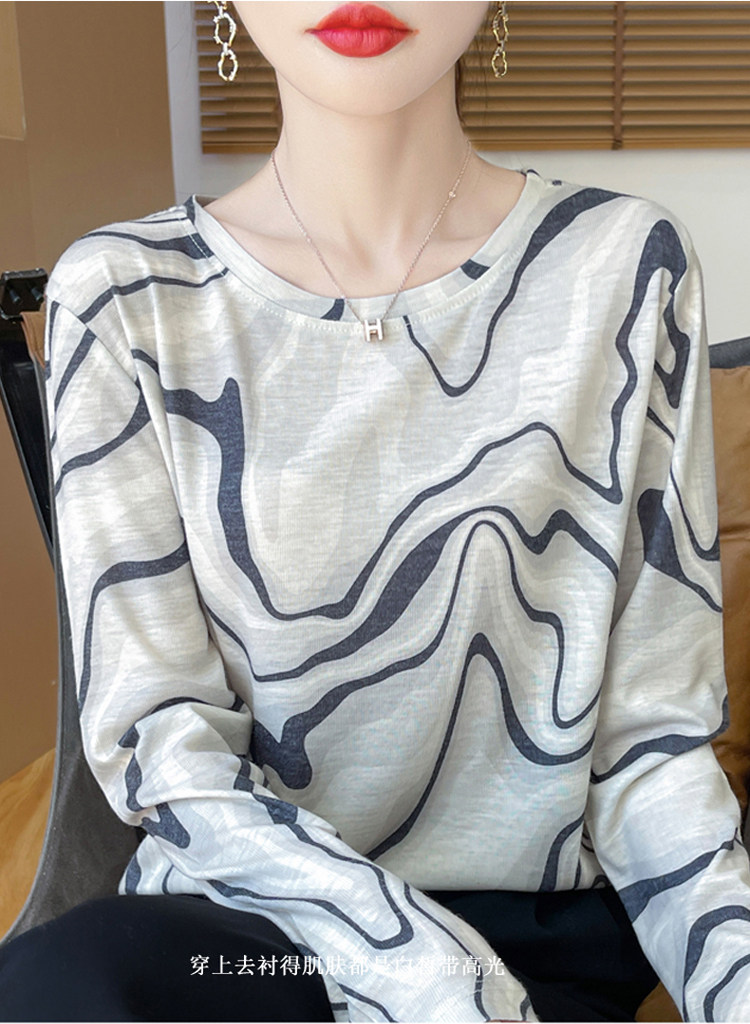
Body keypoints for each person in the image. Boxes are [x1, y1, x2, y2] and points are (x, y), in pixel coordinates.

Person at [2, 1, 750, 1021]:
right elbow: (167, 753)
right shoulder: (124, 296)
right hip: (252, 938)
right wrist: (427, 981)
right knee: (58, 988)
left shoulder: (625, 266)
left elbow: (651, 746)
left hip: (536, 946)